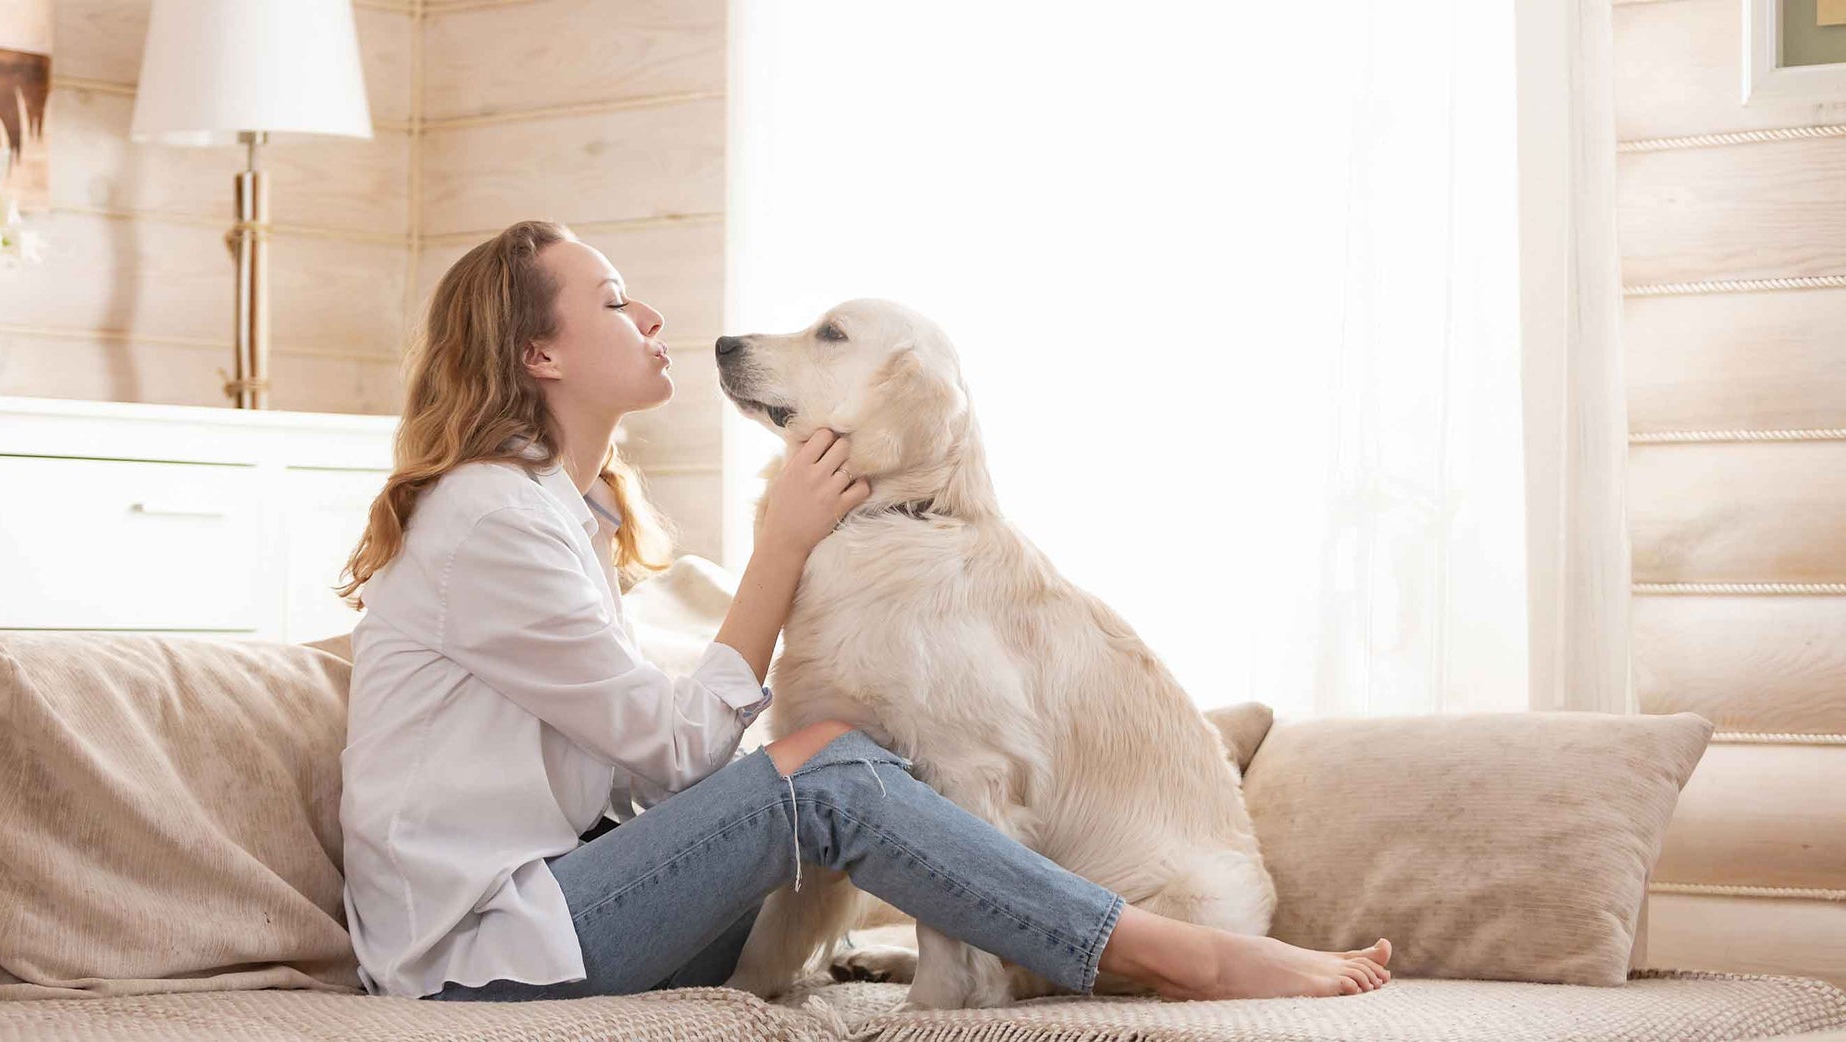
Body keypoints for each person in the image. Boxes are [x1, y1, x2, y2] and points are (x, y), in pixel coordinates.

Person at [333, 219, 1394, 1005]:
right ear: (539, 355)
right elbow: (672, 755)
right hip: (483, 957)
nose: (651, 316)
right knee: (831, 763)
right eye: (613, 301)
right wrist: (780, 550)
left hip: (567, 910)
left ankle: (1084, 942)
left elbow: (641, 768)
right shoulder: (487, 518)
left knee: (841, 765)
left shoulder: (563, 514)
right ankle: (1175, 952)